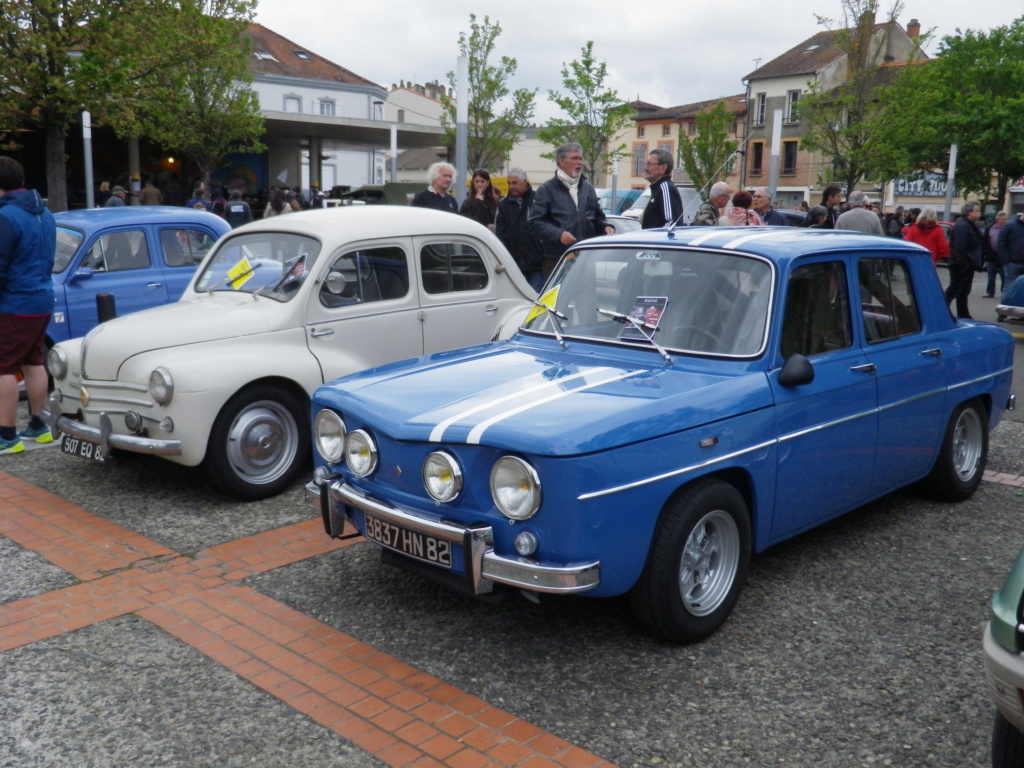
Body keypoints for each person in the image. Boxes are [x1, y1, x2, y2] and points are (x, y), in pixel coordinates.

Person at [0, 157, 57, 454]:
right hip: (42, 298)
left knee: (3, 366)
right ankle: (40, 425)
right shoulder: (45, 213)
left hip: (15, 301)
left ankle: (7, 436)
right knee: (34, 360)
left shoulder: (6, 216)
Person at [528, 142, 613, 279]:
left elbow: (598, 218)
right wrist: (559, 234)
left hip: (586, 258)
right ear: (561, 161)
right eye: (575, 158)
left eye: (581, 159)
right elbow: (535, 223)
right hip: (559, 259)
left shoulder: (588, 188)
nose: (580, 162)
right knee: (559, 300)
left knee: (586, 299)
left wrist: (606, 227)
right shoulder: (547, 189)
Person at [494, 167, 544, 293]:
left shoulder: (539, 200)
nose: (511, 187)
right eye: (509, 183)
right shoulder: (503, 204)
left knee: (535, 298)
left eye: (514, 183)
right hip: (513, 262)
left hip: (536, 262)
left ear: (525, 182)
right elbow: (499, 233)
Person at [946, 201, 983, 319]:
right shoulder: (962, 226)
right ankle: (942, 312)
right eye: (977, 211)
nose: (979, 213)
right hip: (961, 265)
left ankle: (963, 314)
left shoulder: (970, 226)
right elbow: (959, 248)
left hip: (967, 264)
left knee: (963, 292)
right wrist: (964, 264)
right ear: (968, 212)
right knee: (954, 290)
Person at [640, 148, 682, 229]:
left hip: (657, 241)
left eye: (649, 164)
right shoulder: (659, 188)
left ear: (663, 168)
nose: (645, 168)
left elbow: (671, 224)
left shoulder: (665, 188)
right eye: (645, 164)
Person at [998, 213, 1024, 300]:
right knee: (1008, 287)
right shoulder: (1009, 226)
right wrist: (1007, 261)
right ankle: (1004, 309)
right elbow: (1001, 243)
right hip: (1012, 263)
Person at [983, 211, 1008, 298]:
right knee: (991, 276)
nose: (1005, 221)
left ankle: (1004, 293)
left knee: (1004, 275)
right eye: (1003, 219)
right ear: (997, 219)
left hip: (1003, 256)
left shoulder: (1007, 228)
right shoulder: (989, 228)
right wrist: (986, 252)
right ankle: (990, 292)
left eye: (1006, 219)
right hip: (992, 255)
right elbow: (985, 241)